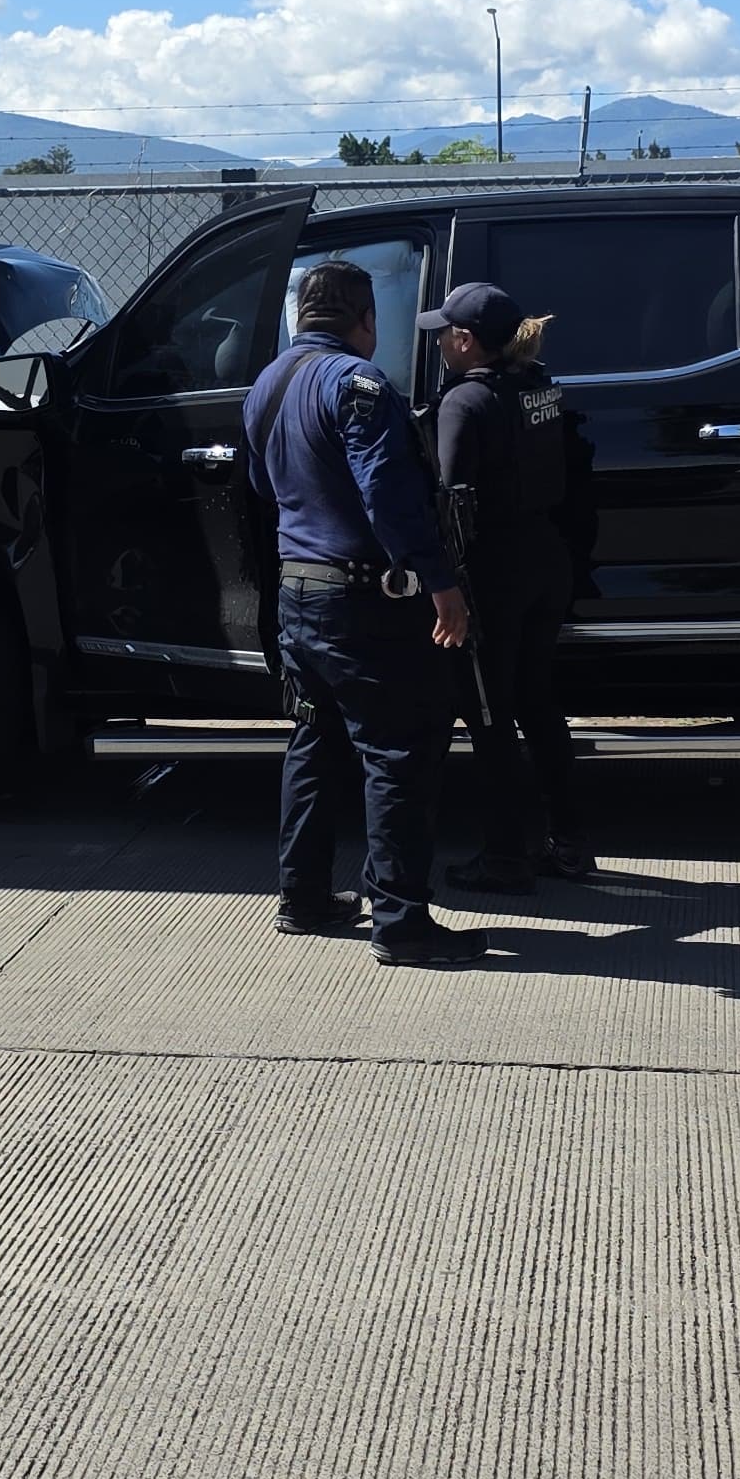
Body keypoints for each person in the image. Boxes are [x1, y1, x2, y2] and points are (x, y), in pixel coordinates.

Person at [241, 257, 487, 966]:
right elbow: (388, 495)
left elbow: (261, 482)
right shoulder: (361, 384)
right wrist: (441, 584)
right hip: (361, 599)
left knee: (314, 742)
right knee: (397, 753)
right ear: (364, 319)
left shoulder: (269, 383)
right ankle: (402, 924)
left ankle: (304, 896)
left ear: (300, 317)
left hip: (299, 595)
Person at [425, 281, 597, 891]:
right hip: (546, 559)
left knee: (489, 713)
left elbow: (451, 498)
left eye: (445, 331)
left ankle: (504, 857)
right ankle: (570, 844)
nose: (440, 340)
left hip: (493, 570)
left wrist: (441, 581)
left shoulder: (464, 401)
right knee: (537, 702)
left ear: (465, 341)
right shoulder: (538, 385)